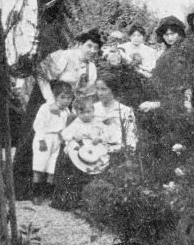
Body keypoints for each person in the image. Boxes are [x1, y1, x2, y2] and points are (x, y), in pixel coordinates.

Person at [13, 28, 103, 200]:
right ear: (80, 44)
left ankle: (48, 190)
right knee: (35, 138)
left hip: (66, 103)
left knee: (60, 143)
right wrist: (50, 102)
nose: (92, 51)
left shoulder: (91, 68)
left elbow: (85, 92)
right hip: (45, 97)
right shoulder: (64, 56)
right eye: (89, 46)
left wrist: (78, 111)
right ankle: (24, 189)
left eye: (95, 48)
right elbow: (41, 76)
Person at [51, 70, 137, 211]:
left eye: (104, 89)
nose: (100, 93)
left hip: (112, 149)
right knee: (70, 154)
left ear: (113, 90)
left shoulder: (125, 111)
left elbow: (131, 138)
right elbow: (73, 128)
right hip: (87, 148)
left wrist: (122, 152)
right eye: (97, 89)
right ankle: (70, 200)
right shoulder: (91, 108)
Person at [31, 81, 73, 205]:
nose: (66, 101)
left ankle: (48, 194)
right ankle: (36, 194)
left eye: (69, 98)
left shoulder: (66, 112)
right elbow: (39, 125)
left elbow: (65, 128)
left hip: (57, 140)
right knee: (40, 166)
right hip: (45, 138)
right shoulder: (46, 108)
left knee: (52, 168)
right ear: (55, 97)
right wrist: (41, 140)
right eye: (63, 97)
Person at [150, 16, 194, 111]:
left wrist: (187, 99)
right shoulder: (168, 50)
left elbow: (189, 76)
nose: (170, 38)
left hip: (182, 96)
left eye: (172, 34)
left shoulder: (185, 48)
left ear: (179, 33)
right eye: (166, 35)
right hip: (168, 95)